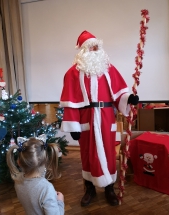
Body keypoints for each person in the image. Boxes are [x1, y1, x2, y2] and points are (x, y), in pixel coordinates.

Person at [60, 30, 139, 206]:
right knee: (87, 154)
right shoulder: (73, 73)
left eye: (97, 46)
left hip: (106, 118)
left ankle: (110, 189)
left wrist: (129, 98)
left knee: (109, 153)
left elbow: (121, 93)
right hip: (85, 119)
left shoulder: (108, 69)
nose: (94, 50)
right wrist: (73, 127)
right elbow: (70, 102)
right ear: (82, 51)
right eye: (90, 47)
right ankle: (89, 189)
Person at [6, 135, 64, 215]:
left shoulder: (18, 180)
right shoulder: (46, 188)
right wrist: (60, 202)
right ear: (45, 161)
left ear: (19, 163)